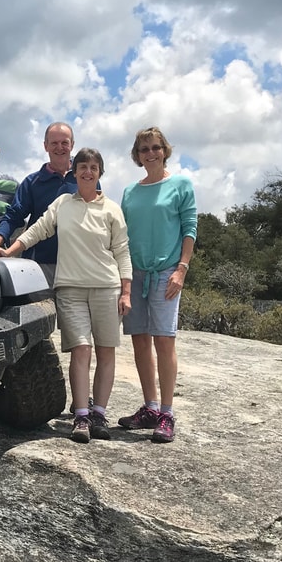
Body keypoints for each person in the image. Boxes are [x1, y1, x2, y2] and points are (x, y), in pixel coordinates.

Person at [1, 148, 132, 444]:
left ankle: (99, 414)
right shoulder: (63, 203)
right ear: (74, 171)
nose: (87, 171)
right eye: (82, 166)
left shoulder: (111, 208)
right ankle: (82, 416)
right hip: (70, 288)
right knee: (81, 349)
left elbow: (122, 251)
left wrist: (126, 291)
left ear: (100, 172)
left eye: (93, 167)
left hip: (107, 287)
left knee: (106, 350)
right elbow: (38, 230)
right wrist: (10, 250)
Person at [116, 127, 197, 443]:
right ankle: (149, 407)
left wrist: (182, 269)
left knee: (164, 340)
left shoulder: (180, 185)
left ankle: (167, 413)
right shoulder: (130, 192)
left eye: (155, 147)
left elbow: (190, 228)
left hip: (166, 273)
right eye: (144, 149)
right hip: (135, 274)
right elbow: (122, 236)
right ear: (136, 155)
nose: (150, 153)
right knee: (139, 340)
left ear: (165, 150)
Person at [0, 122, 77, 286]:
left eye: (65, 142)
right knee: (41, 312)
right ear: (45, 146)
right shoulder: (31, 182)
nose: (60, 147)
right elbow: (13, 216)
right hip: (40, 267)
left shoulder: (86, 179)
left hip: (78, 267)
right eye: (54, 143)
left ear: (72, 145)